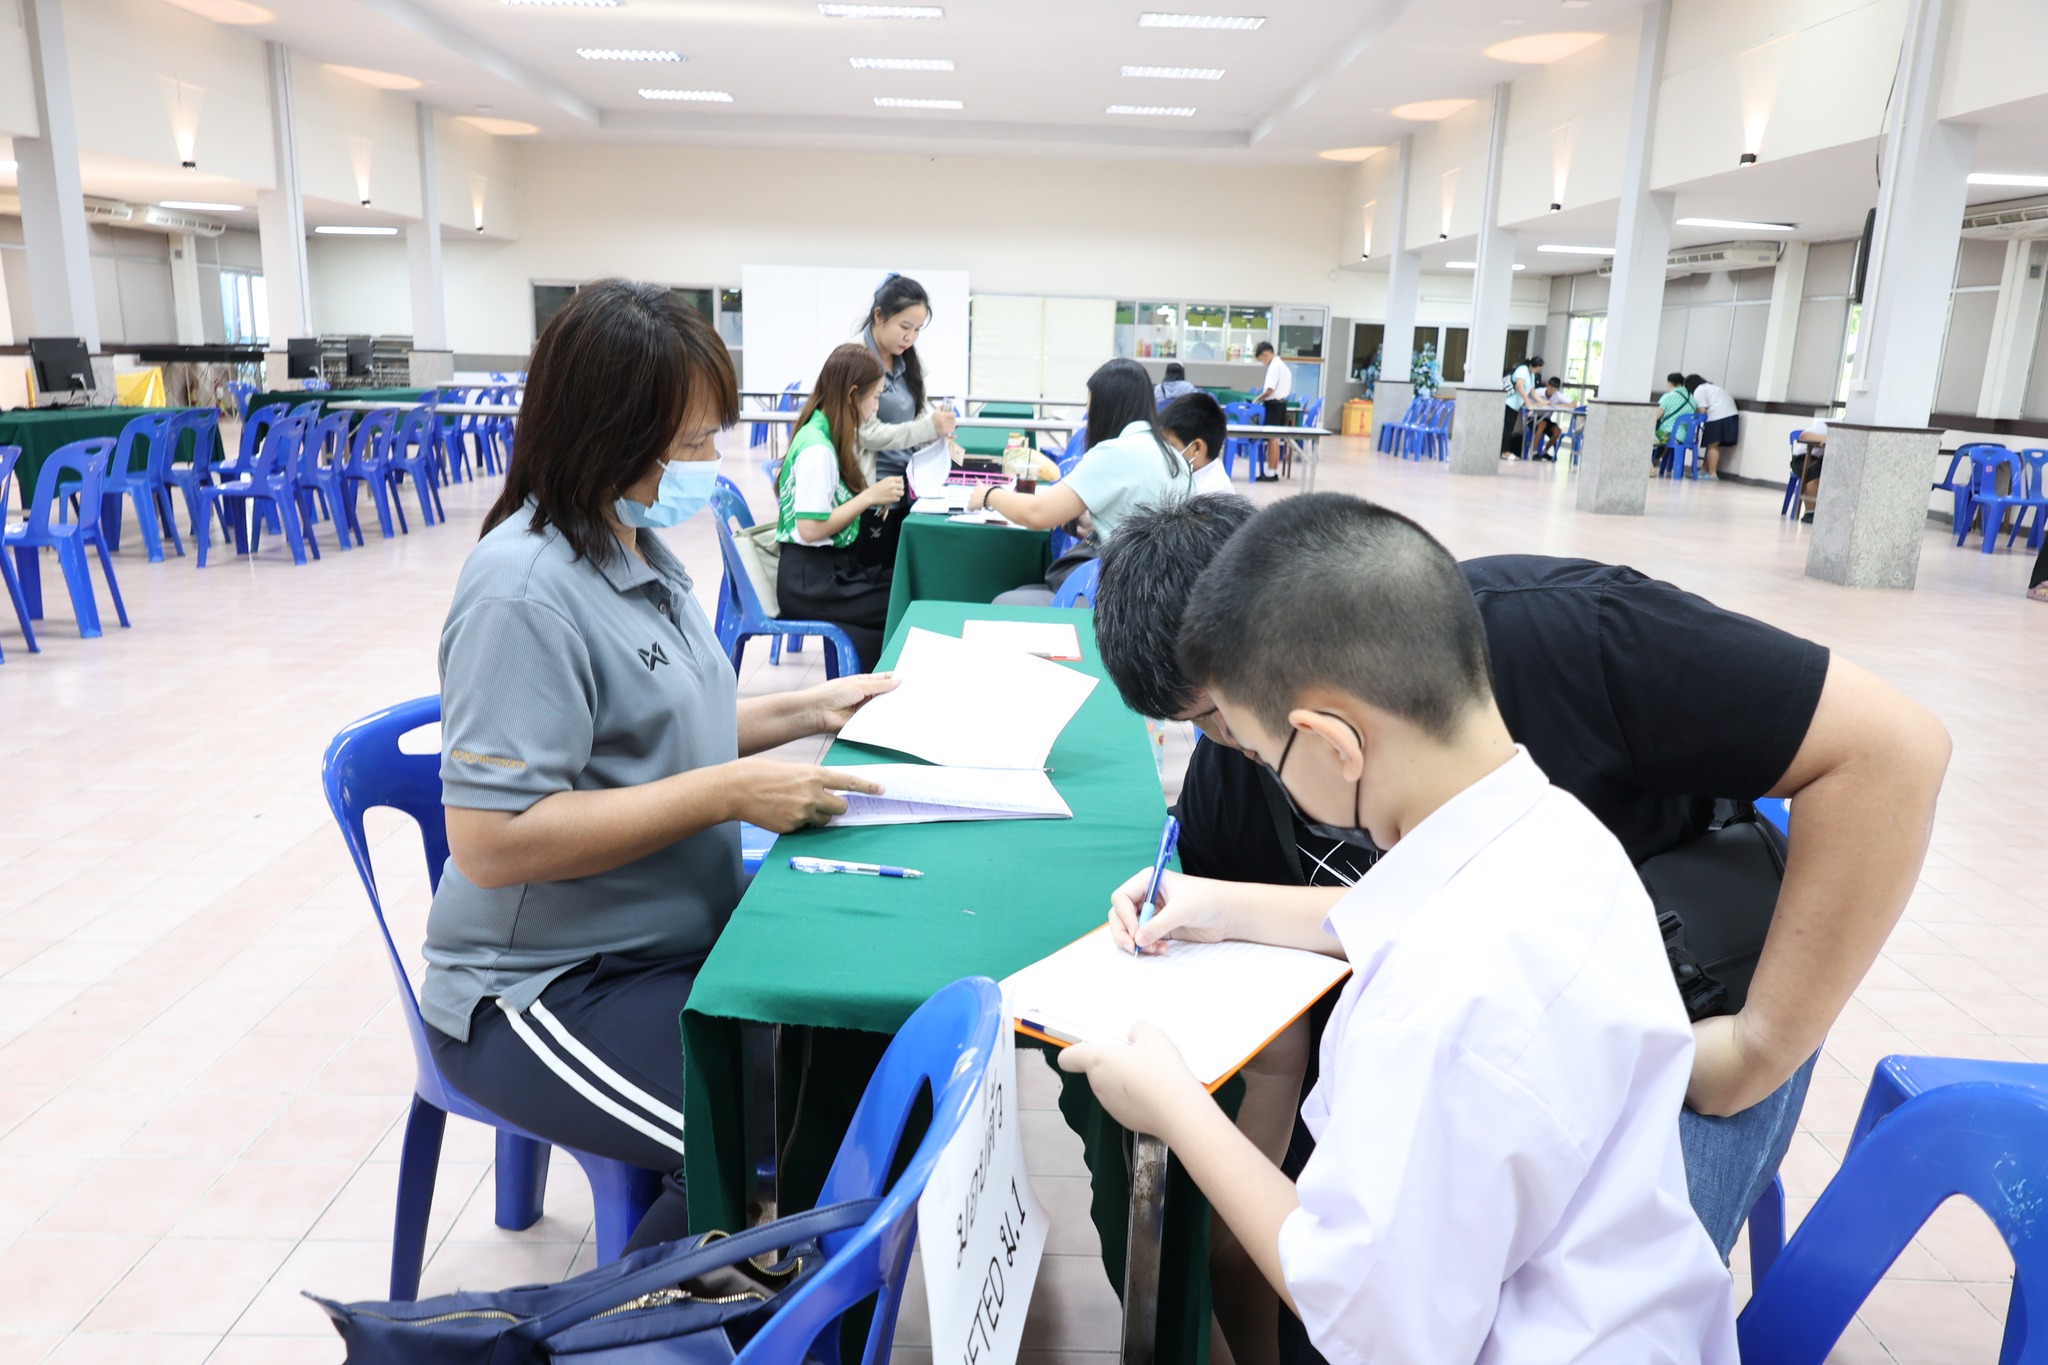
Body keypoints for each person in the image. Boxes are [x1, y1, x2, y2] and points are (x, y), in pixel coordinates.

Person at [1090, 492, 1950, 1266]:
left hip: (1697, 1012)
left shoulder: (1567, 637)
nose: (1235, 749)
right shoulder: (1472, 845)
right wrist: (1223, 905)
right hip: (1514, 1047)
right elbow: (1427, 906)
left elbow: (1894, 750)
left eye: (1225, 716)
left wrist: (1755, 1049)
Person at [1061, 495, 1740, 1364]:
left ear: (1334, 744)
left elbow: (1366, 1316)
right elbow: (1393, 908)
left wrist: (1174, 1105)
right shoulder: (1560, 831)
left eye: (1263, 757)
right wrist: (1222, 903)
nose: (1266, 779)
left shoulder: (1438, 1003)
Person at [424, 280, 895, 1253]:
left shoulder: (634, 548)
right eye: (690, 444)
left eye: (711, 438)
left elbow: (673, 725)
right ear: (607, 434)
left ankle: (755, 1285)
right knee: (764, 1137)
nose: (707, 464)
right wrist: (727, 793)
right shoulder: (523, 591)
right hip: (546, 986)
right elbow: (490, 841)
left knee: (856, 1046)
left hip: (665, 941)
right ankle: (633, 1316)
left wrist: (815, 708)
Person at [978, 357, 1194, 604]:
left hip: (1118, 602)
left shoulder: (1115, 453)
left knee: (1005, 602)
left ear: (1105, 410)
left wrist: (988, 494)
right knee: (1024, 592)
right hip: (1159, 599)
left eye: (1090, 410)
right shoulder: (1175, 458)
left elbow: (1036, 514)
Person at [775, 342, 906, 669]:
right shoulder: (817, 449)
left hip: (826, 572)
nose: (876, 407)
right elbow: (810, 528)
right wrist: (868, 498)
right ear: (852, 395)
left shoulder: (824, 433)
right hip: (811, 584)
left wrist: (868, 498)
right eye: (875, 397)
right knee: (902, 601)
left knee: (902, 584)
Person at [857, 274, 957, 556]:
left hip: (909, 486)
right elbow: (866, 434)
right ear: (879, 316)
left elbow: (918, 411)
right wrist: (928, 428)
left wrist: (936, 434)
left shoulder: (907, 358)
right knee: (876, 570)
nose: (910, 337)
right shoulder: (856, 359)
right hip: (872, 494)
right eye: (904, 327)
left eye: (917, 330)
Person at [1161, 390, 1235, 497]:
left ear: (1196, 448)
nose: (1163, 451)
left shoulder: (1208, 496)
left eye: (1170, 446)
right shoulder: (1192, 477)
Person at [1688, 373, 1739, 479]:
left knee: (1712, 445)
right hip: (1731, 416)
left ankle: (1712, 474)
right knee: (1711, 444)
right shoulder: (1713, 388)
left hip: (1717, 417)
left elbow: (1702, 411)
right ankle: (1703, 470)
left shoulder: (1699, 390)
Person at [1253, 341, 1291, 481]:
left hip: (1273, 405)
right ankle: (1273, 471)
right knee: (1275, 439)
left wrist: (1257, 398)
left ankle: (1270, 473)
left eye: (1261, 359)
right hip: (1281, 404)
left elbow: (1269, 390)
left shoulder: (1274, 366)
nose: (1263, 363)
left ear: (1265, 354)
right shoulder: (1282, 365)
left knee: (1271, 440)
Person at [1499, 354, 1542, 458]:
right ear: (1532, 366)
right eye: (1538, 368)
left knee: (1509, 428)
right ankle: (1504, 451)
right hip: (1509, 402)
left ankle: (1504, 450)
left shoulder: (1531, 375)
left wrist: (1543, 402)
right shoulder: (1522, 370)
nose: (1539, 370)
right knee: (1507, 428)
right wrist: (1527, 401)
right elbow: (1519, 386)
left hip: (1516, 405)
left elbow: (1532, 392)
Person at [1655, 372, 1696, 465]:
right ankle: (1654, 462)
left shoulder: (1668, 396)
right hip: (1686, 437)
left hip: (1667, 436)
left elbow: (1656, 417)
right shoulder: (1692, 399)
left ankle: (1650, 464)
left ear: (1670, 383)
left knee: (1648, 437)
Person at [1524, 376, 1568, 460]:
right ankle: (1534, 452)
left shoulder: (1558, 395)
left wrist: (1557, 405)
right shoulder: (1538, 392)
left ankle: (1545, 451)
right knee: (1542, 424)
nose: (1552, 391)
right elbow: (1526, 402)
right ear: (1547, 385)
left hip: (1546, 419)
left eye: (1555, 390)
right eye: (1551, 388)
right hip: (1532, 418)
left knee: (1557, 431)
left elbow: (1573, 403)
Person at [1791, 421, 1826, 523]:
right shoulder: (1825, 426)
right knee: (1814, 471)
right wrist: (1828, 439)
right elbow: (1803, 436)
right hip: (1802, 458)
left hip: (1820, 459)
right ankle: (1810, 513)